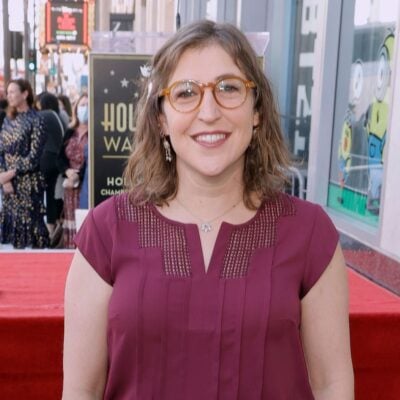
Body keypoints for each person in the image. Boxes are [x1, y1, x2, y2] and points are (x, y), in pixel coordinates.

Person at [63, 21, 354, 399]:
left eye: (228, 88)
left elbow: (332, 385)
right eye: (186, 93)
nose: (209, 111)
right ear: (161, 119)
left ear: (257, 112)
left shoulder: (311, 233)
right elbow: (81, 391)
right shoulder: (107, 230)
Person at [0, 79, 49, 248]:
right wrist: (4, 178)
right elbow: (1, 151)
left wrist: (9, 174)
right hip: (8, 187)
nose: (9, 96)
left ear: (25, 94)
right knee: (12, 233)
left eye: (13, 91)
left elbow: (34, 157)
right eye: (8, 92)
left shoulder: (37, 120)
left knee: (31, 231)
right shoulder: (8, 120)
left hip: (29, 185)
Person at [57, 93, 88, 248]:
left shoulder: (95, 132)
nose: (85, 109)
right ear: (76, 109)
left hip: (85, 184)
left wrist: (78, 176)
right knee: (71, 221)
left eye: (88, 105)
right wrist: (68, 172)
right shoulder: (70, 131)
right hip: (69, 185)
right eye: (82, 105)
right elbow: (60, 157)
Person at [37, 92, 65, 237]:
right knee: (52, 194)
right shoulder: (59, 116)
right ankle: (51, 226)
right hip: (57, 159)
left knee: (41, 194)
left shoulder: (44, 115)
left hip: (46, 158)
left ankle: (45, 229)